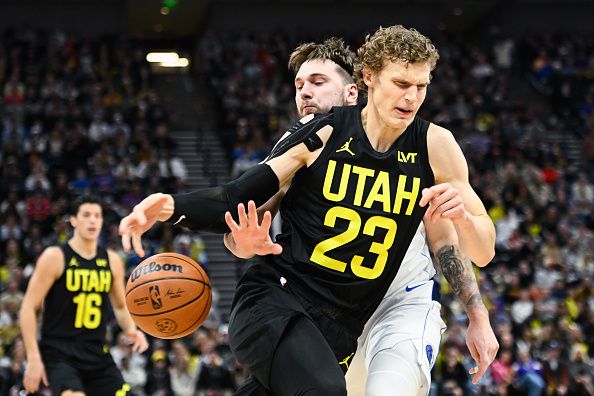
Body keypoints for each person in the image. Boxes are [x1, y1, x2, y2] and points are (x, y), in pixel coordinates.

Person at [120, 25, 497, 395]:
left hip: (354, 321)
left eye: (422, 86)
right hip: (280, 299)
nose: (412, 97)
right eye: (402, 84)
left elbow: (480, 250)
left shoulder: (435, 145)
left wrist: (465, 224)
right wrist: (169, 206)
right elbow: (241, 199)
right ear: (368, 79)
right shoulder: (321, 133)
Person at [19, 194, 148, 395]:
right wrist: (34, 358)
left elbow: (121, 306)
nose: (92, 220)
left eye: (97, 216)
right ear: (73, 220)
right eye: (86, 215)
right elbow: (28, 307)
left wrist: (131, 329)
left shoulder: (112, 261)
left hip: (96, 352)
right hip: (59, 353)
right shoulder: (55, 257)